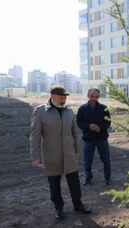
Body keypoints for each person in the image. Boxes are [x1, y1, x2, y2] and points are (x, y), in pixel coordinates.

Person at [30, 86, 91, 220]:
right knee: (54, 184)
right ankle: (59, 208)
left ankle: (78, 204)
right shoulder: (40, 111)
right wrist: (36, 158)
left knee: (74, 182)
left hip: (69, 154)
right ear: (52, 95)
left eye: (65, 96)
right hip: (51, 155)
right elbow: (35, 136)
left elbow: (75, 133)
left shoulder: (69, 111)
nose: (64, 98)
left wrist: (77, 151)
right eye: (61, 96)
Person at [76, 88, 112, 186]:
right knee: (87, 161)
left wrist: (100, 128)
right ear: (88, 95)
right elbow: (79, 122)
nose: (94, 98)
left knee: (106, 160)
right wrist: (89, 126)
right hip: (88, 139)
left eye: (96, 96)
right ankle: (88, 178)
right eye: (92, 96)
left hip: (102, 138)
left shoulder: (104, 108)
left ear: (98, 97)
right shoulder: (82, 108)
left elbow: (108, 122)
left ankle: (108, 178)